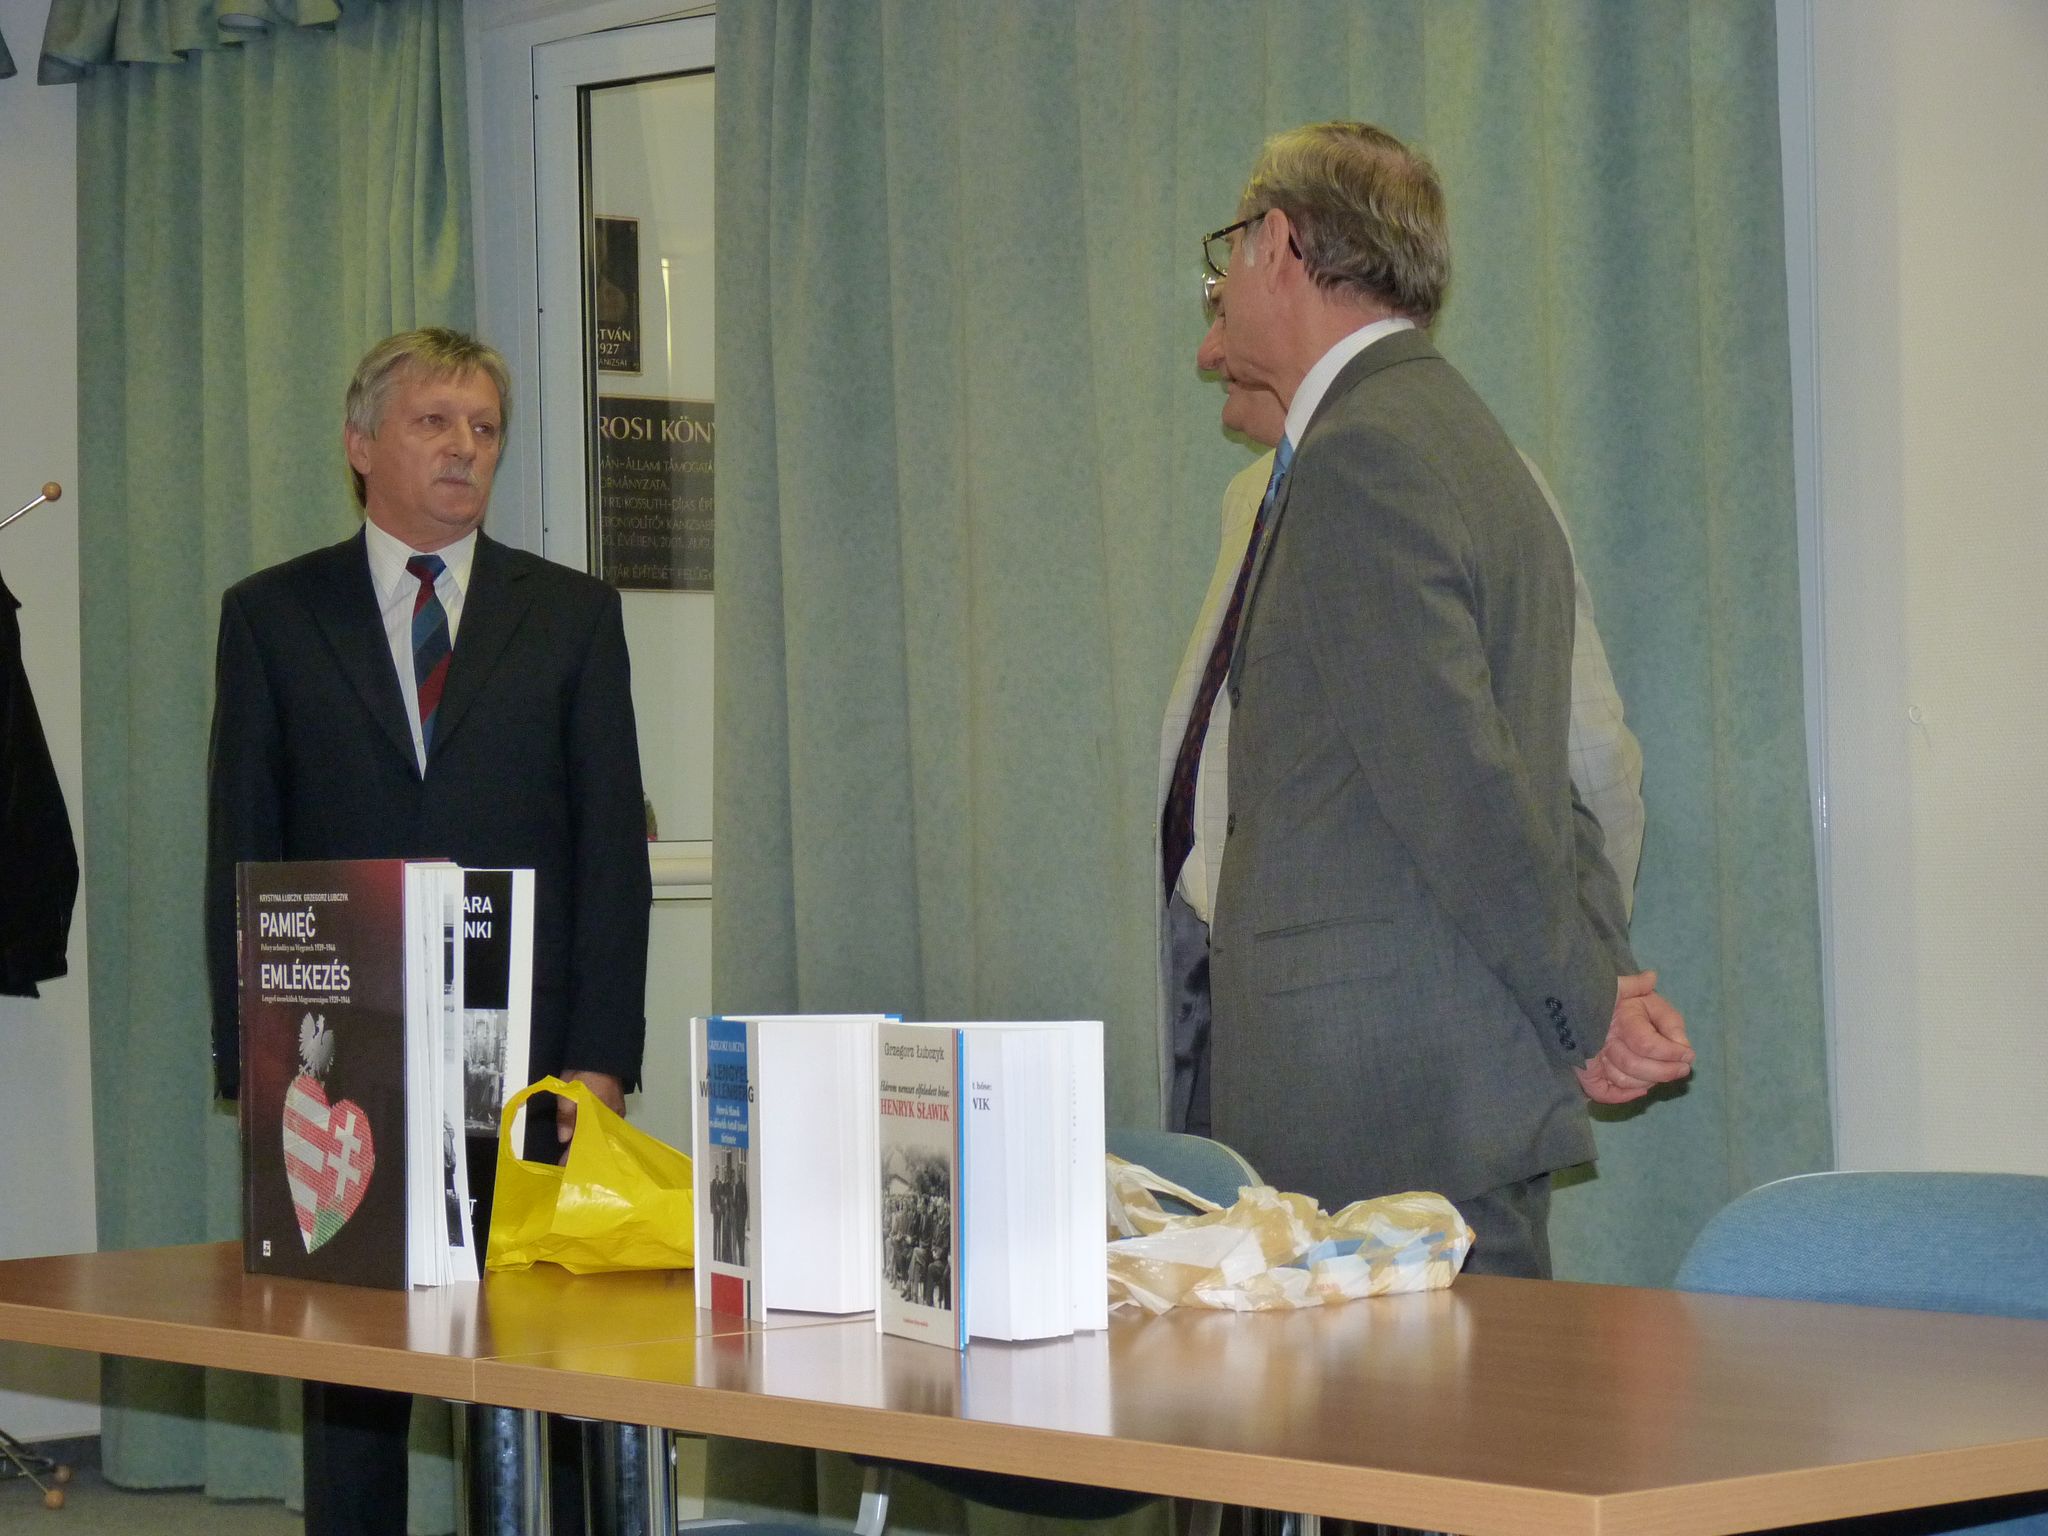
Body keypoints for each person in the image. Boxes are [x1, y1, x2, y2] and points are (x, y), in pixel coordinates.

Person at [1168, 123, 1691, 1278]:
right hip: (1436, 1103)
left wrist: (1585, 1008)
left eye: (1225, 258)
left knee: (1407, 1404)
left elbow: (1464, 794)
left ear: (1276, 244)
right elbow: (1534, 783)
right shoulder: (1463, 441)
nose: (1220, 296)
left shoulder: (1358, 456)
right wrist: (1589, 989)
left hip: (1376, 1115)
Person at [205, 327, 652, 1536]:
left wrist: (601, 1056)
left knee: (547, 1361)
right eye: (433, 423)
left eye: (484, 428)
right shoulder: (271, 616)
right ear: (361, 445)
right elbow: (242, 848)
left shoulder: (571, 617)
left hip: (532, 1064)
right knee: (354, 1364)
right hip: (337, 1057)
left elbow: (611, 856)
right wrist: (251, 1056)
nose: (464, 448)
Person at [1158, 375, 1647, 1136]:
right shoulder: (1253, 495)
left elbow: (1576, 761)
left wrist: (1584, 983)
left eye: (1225, 316)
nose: (1211, 351)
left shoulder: (1451, 474)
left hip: (1398, 1034)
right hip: (1226, 985)